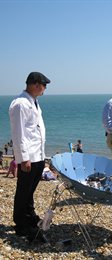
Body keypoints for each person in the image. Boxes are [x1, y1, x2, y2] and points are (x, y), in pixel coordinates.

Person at [9, 71, 51, 242]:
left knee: (31, 189)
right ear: (35, 84)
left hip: (38, 154)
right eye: (43, 85)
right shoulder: (20, 104)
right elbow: (18, 134)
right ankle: (20, 223)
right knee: (23, 190)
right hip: (29, 156)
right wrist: (24, 158)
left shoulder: (33, 102)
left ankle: (29, 214)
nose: (44, 89)